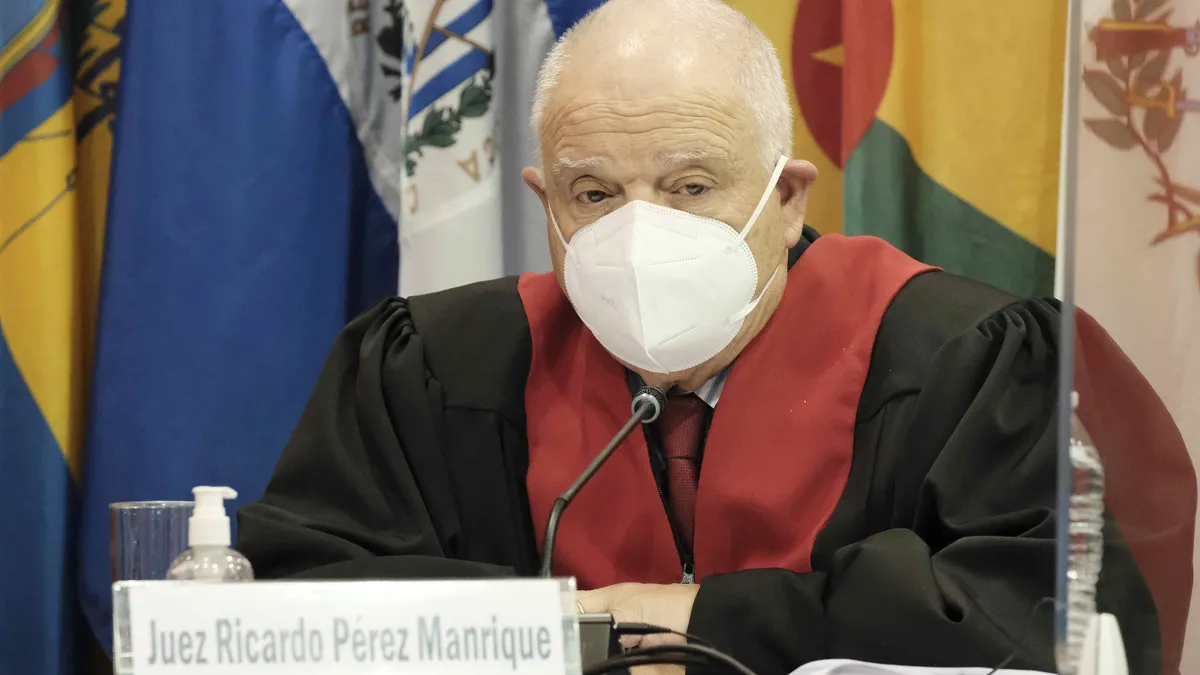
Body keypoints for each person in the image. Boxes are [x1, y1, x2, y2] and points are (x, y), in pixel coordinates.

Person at [236, 0, 1159, 673]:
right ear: (544, 203)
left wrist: (708, 616)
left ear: (786, 199)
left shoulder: (959, 357)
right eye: (593, 193)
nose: (640, 229)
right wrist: (562, 624)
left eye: (690, 187)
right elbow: (299, 597)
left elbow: (1055, 614)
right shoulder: (436, 365)